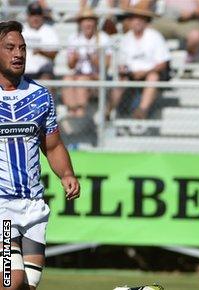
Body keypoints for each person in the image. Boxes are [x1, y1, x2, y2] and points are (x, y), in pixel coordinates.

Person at [0, 20, 80, 290]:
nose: (18, 54)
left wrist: (67, 174)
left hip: (33, 206)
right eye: (9, 47)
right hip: (1, 207)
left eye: (22, 48)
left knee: (27, 286)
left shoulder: (40, 96)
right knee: (11, 282)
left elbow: (53, 145)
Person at [107, 1, 171, 119]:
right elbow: (121, 62)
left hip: (150, 74)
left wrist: (144, 72)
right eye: (134, 18)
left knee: (153, 76)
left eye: (140, 18)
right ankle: (108, 110)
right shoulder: (125, 39)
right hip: (130, 74)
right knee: (121, 79)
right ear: (130, 21)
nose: (137, 21)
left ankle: (142, 110)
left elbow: (162, 63)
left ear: (146, 21)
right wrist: (125, 70)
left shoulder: (155, 36)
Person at [62, 7, 112, 118]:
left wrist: (94, 59)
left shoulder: (103, 38)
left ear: (95, 23)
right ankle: (72, 111)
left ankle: (80, 114)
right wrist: (74, 58)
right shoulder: (74, 38)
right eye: (85, 20)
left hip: (97, 78)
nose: (87, 24)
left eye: (90, 20)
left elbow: (107, 65)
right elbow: (70, 66)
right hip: (79, 75)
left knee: (81, 80)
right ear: (80, 23)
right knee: (67, 79)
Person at [22, 2, 59, 80]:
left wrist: (41, 52)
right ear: (28, 16)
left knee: (46, 80)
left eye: (38, 14)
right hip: (22, 72)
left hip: (43, 73)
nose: (35, 18)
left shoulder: (49, 31)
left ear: (42, 16)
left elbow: (54, 54)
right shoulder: (20, 30)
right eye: (32, 14)